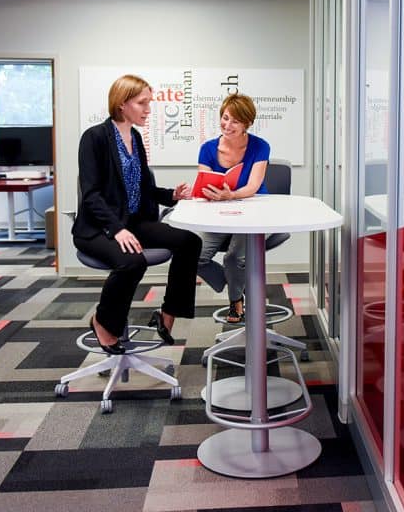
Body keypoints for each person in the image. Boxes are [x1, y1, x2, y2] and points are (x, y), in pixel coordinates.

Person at [73, 74, 201, 350]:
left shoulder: (135, 138)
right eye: (142, 103)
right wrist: (117, 229)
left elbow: (144, 187)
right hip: (97, 228)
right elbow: (91, 194)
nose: (148, 109)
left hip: (133, 221)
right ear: (122, 104)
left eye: (149, 103)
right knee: (133, 262)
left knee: (190, 242)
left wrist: (171, 196)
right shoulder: (94, 138)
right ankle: (103, 321)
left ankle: (167, 314)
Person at [195, 93, 270, 323]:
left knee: (233, 259)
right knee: (195, 256)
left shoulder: (260, 146)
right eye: (225, 118)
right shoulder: (208, 148)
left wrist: (232, 195)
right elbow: (204, 181)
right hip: (219, 211)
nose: (228, 125)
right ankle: (237, 284)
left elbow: (254, 185)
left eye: (235, 121)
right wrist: (211, 193)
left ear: (247, 123)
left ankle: (235, 301)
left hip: (251, 211)